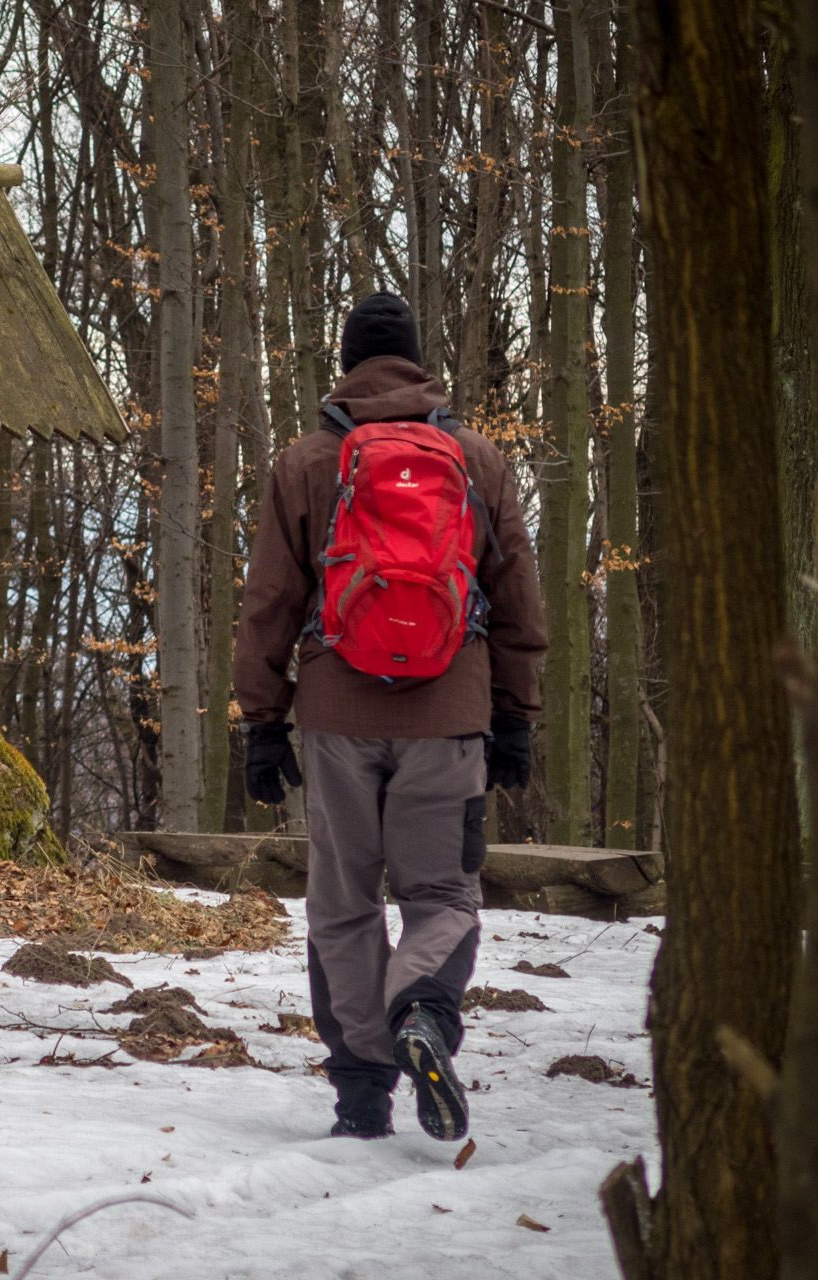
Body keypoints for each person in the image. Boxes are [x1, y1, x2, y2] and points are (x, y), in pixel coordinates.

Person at [231, 292, 547, 1141]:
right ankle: (424, 1016)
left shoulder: (304, 463)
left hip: (336, 714)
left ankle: (362, 1094)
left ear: (345, 362)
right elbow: (516, 595)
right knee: (442, 895)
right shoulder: (477, 459)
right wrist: (516, 713)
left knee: (342, 902)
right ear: (418, 363)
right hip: (451, 711)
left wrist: (263, 722)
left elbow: (269, 601)